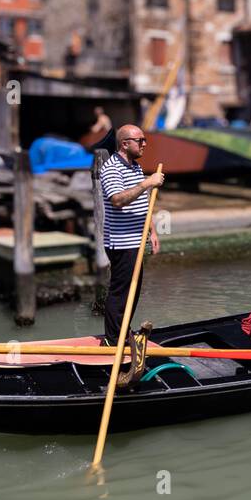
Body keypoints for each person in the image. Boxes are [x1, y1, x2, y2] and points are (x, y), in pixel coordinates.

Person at [98, 123, 164, 345]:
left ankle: (123, 332)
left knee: (133, 291)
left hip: (136, 240)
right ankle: (113, 339)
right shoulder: (111, 168)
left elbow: (144, 204)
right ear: (125, 144)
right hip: (121, 241)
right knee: (121, 292)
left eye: (145, 140)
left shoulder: (134, 167)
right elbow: (117, 200)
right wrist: (148, 183)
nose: (144, 144)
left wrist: (152, 231)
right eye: (140, 140)